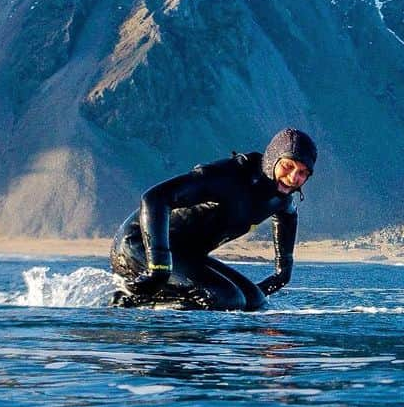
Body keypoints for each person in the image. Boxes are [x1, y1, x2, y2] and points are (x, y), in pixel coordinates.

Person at [109, 128, 317, 310]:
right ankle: (127, 300)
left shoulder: (282, 200)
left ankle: (165, 294)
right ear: (273, 159)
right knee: (227, 299)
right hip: (138, 245)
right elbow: (154, 198)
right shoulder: (229, 177)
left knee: (254, 301)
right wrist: (159, 268)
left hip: (186, 256)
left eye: (302, 173)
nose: (293, 178)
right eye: (288, 166)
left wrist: (275, 279)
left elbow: (287, 224)